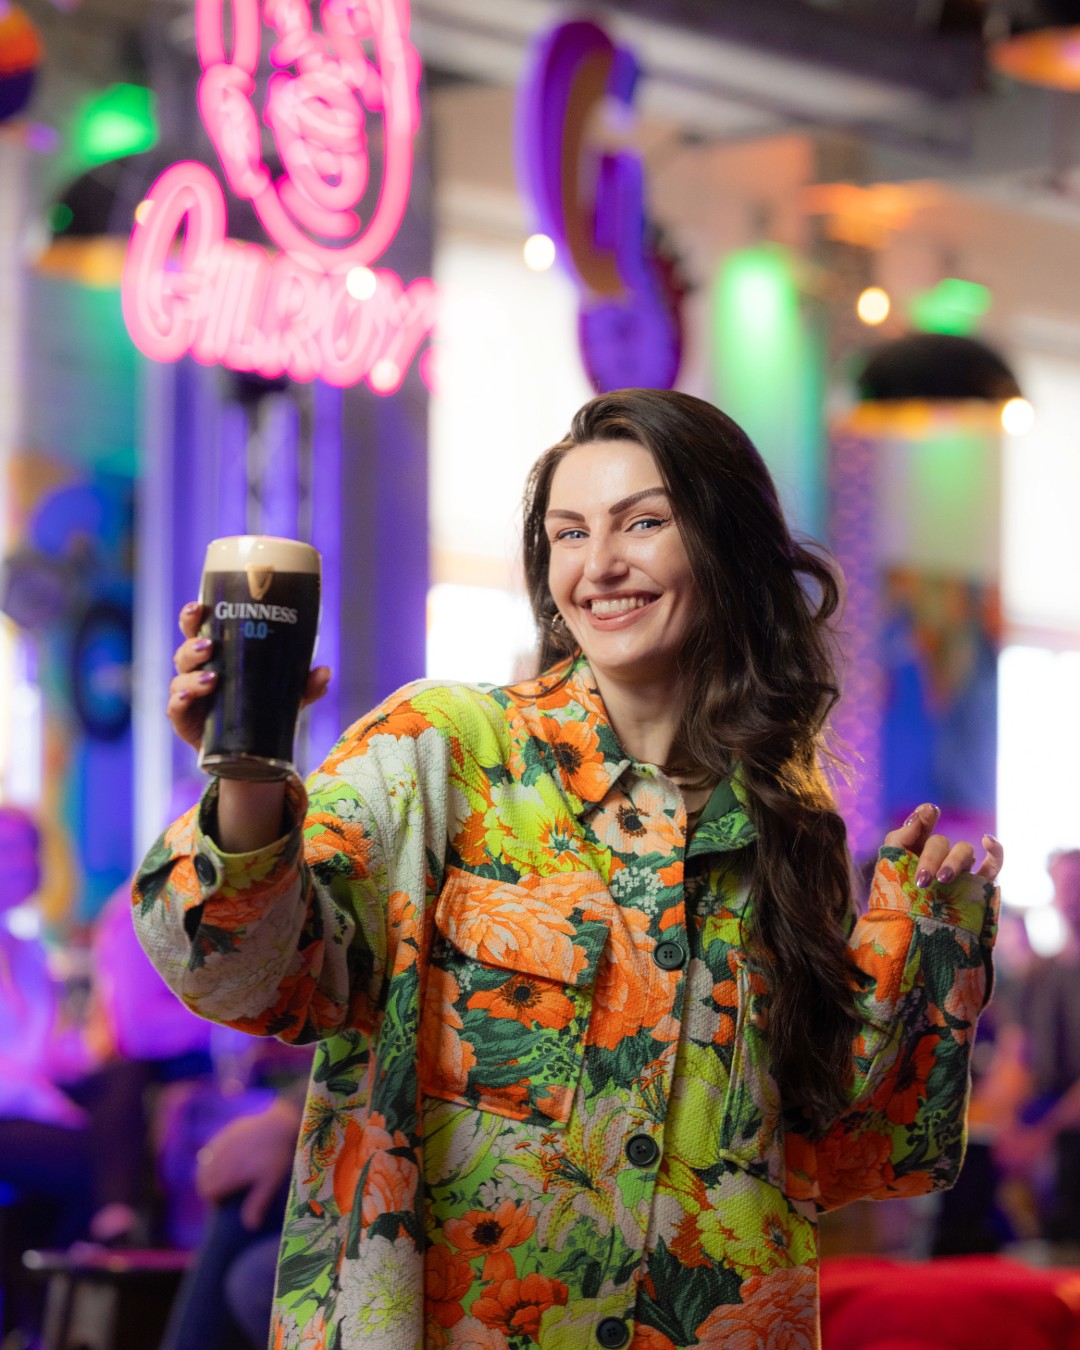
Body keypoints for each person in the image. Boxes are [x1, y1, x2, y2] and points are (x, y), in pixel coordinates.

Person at [133, 389, 1002, 1349]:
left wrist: (926, 942)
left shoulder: (789, 831)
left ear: (728, 548)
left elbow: (847, 1158)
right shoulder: (443, 750)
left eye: (645, 522)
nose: (601, 564)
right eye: (569, 533)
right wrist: (249, 774)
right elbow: (244, 976)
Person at [994, 849, 1080, 1247]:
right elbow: (1016, 1055)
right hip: (1046, 1120)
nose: (1070, 895)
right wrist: (1009, 1125)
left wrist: (1042, 1134)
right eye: (1063, 885)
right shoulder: (1038, 974)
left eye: (1076, 884)